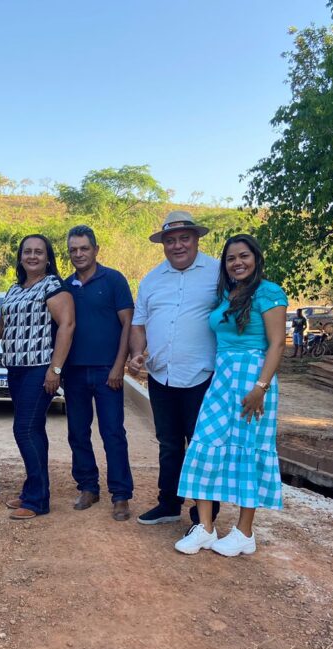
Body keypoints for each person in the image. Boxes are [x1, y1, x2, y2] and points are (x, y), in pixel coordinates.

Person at [175, 234, 287, 556]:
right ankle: (205, 528)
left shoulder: (269, 292)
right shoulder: (226, 295)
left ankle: (244, 533)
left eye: (244, 256)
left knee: (248, 450)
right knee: (203, 446)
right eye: (231, 258)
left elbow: (277, 344)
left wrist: (260, 388)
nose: (237, 263)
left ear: (256, 258)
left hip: (253, 380)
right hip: (222, 379)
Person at [127, 211, 221, 527]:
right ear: (163, 244)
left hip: (204, 377)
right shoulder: (152, 280)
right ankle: (168, 504)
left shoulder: (218, 273)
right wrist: (137, 353)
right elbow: (139, 323)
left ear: (196, 240)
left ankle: (204, 516)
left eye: (184, 238)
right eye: (170, 240)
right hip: (161, 376)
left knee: (201, 446)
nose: (178, 245)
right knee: (168, 444)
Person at [0, 234, 75, 520]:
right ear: (20, 257)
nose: (32, 256)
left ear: (48, 258)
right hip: (15, 368)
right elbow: (4, 326)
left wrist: (55, 369)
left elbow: (67, 325)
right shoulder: (15, 288)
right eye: (27, 251)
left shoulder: (52, 286)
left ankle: (38, 500)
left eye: (38, 252)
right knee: (34, 430)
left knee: (24, 429)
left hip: (39, 368)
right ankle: (33, 489)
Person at [61, 225, 135, 521]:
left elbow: (127, 324)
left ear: (96, 250)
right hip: (74, 372)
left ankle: (121, 494)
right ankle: (88, 487)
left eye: (84, 248)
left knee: (113, 432)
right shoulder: (65, 286)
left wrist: (119, 366)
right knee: (77, 432)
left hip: (108, 372)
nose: (78, 254)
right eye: (73, 250)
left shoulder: (114, 280)